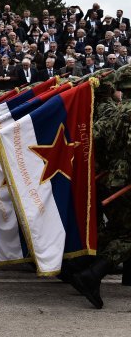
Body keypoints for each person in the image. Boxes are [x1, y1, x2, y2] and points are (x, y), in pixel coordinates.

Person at [71, 66, 131, 308]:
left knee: (117, 230)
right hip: (124, 180)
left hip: (113, 178)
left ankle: (80, 265)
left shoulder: (119, 112)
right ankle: (91, 273)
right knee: (127, 234)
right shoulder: (125, 112)